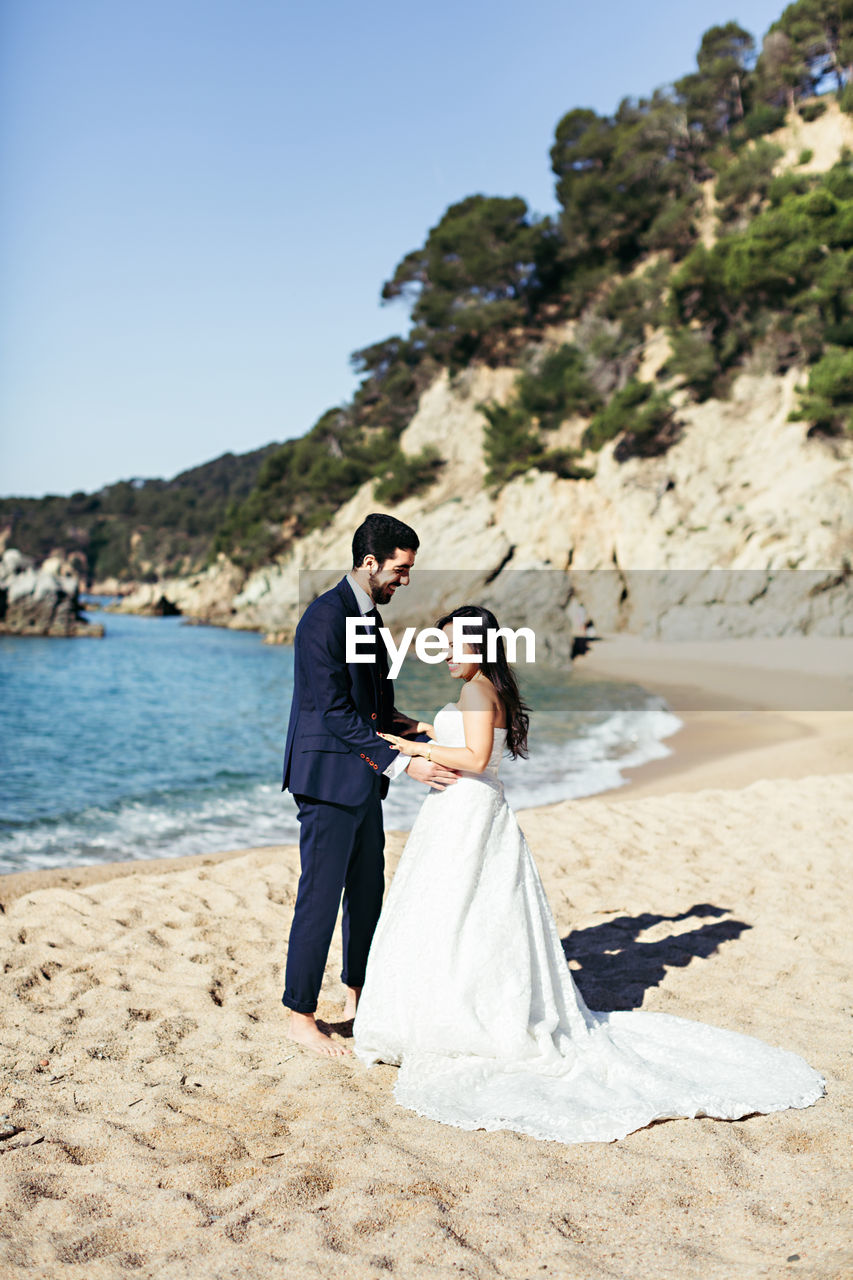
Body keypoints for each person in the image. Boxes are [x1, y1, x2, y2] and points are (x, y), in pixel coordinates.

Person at [352, 604, 825, 1144]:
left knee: (456, 913)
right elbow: (472, 739)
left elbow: (477, 756)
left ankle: (456, 1017)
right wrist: (421, 727)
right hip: (471, 811)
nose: (445, 657)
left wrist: (414, 747)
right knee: (470, 915)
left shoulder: (476, 690)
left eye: (453, 646)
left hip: (466, 810)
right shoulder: (485, 688)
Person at [281, 513, 459, 1057]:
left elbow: (370, 705)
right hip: (328, 780)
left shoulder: (369, 620)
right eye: (400, 570)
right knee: (320, 896)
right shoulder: (323, 619)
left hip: (362, 777)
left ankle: (360, 996)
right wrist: (407, 764)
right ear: (369, 563)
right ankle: (300, 1016)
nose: (404, 580)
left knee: (365, 894)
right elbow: (333, 710)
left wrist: (412, 728)